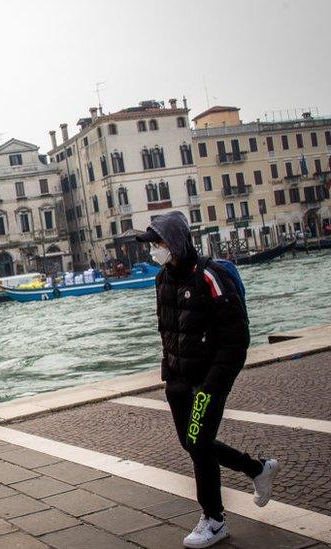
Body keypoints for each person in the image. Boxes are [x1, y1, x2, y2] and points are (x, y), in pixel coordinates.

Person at [138, 211, 278, 548]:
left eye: (159, 243)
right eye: (153, 244)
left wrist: (213, 384)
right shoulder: (162, 280)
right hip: (178, 380)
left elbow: (236, 340)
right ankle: (257, 469)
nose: (155, 250)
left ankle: (214, 519)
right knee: (191, 443)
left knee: (199, 445)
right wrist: (169, 374)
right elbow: (167, 332)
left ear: (176, 242)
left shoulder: (211, 277)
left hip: (207, 381)